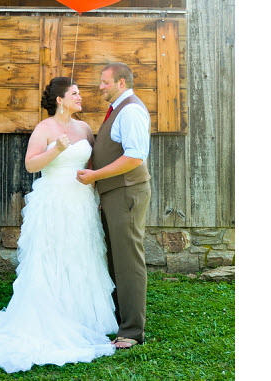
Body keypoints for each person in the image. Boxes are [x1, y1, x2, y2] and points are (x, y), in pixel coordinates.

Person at [0, 77, 118, 373]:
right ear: (60, 99)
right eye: (74, 93)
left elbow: (91, 165)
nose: (80, 97)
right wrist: (55, 151)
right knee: (50, 256)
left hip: (81, 203)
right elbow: (31, 165)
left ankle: (83, 317)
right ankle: (48, 314)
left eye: (80, 93)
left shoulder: (85, 128)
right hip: (53, 201)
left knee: (80, 254)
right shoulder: (44, 129)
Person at [77, 62, 151, 349]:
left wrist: (95, 176)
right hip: (115, 193)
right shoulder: (118, 110)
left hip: (127, 192)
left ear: (121, 83)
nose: (100, 86)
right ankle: (122, 319)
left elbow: (134, 157)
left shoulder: (130, 110)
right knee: (117, 259)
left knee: (129, 260)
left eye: (105, 82)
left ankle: (132, 331)